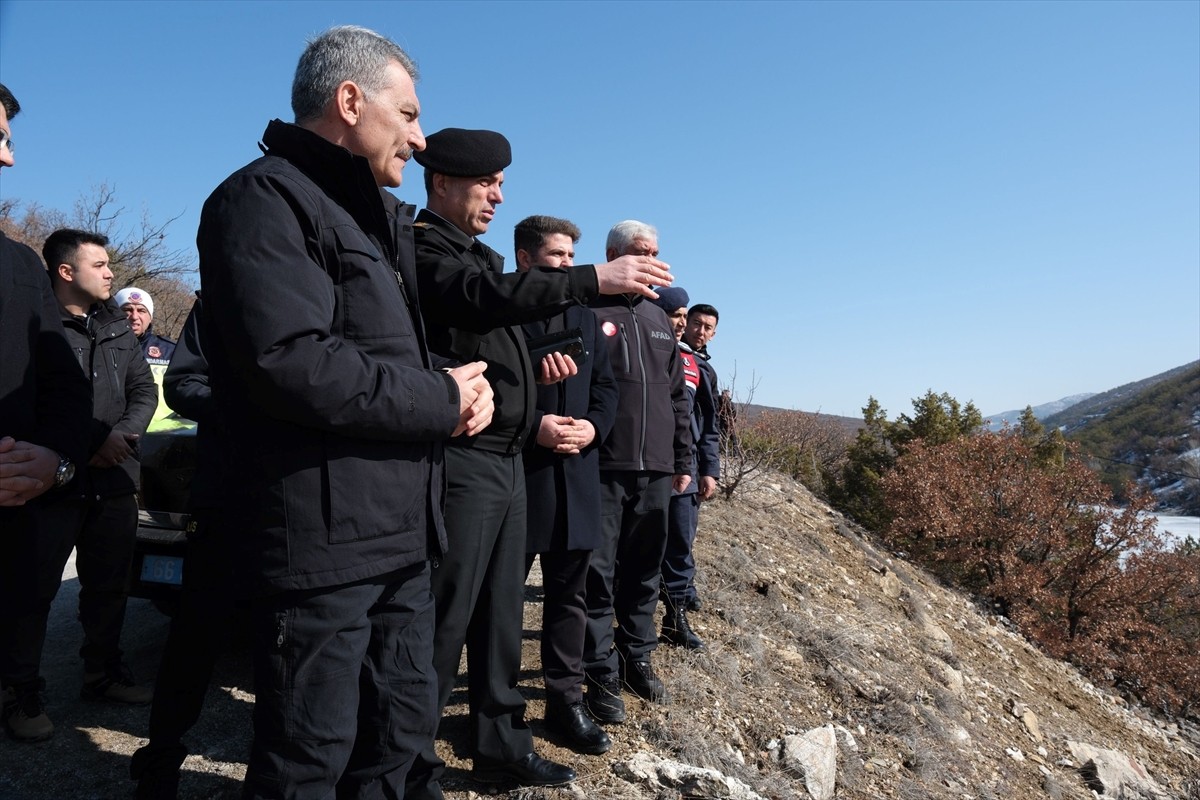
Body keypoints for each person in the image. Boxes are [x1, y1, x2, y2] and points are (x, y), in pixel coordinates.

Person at [194, 26, 494, 799]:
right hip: (323, 550)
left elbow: (372, 354)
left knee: (398, 739)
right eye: (411, 113)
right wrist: (440, 396)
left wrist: (452, 380)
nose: (421, 139)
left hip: (398, 537)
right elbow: (291, 362)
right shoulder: (262, 199)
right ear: (350, 100)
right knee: (309, 758)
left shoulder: (373, 218)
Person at [406, 129, 672, 796]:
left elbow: (498, 332)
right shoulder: (425, 249)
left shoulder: (478, 255)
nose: (498, 195)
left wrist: (532, 361)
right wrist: (590, 282)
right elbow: (470, 304)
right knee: (446, 617)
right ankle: (408, 764)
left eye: (502, 184)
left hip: (504, 464)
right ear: (442, 183)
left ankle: (501, 744)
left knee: (499, 618)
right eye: (486, 183)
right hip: (465, 460)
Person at [17, 228, 159, 721]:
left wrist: (123, 434)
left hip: (117, 477)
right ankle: (20, 692)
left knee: (108, 585)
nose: (110, 273)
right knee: (33, 588)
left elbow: (144, 390)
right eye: (99, 264)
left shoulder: (117, 325)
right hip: (55, 477)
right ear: (65, 271)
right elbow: (36, 399)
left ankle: (102, 674)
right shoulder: (33, 326)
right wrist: (96, 440)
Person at [0, 82, 92, 744]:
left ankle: (19, 688)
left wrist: (56, 460)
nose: (7, 159)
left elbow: (64, 387)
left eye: (7, 141)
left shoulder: (19, 266)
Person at [515, 215, 617, 755]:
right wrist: (537, 427)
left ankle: (565, 701)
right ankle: (497, 705)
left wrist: (593, 427)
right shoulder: (501, 311)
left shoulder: (585, 316)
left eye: (571, 257)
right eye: (557, 256)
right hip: (518, 477)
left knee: (569, 598)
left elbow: (605, 390)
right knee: (502, 600)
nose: (568, 266)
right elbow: (487, 383)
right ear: (526, 259)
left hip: (577, 476)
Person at [583, 220, 692, 725]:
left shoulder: (657, 317)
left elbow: (677, 398)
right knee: (596, 573)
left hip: (657, 470)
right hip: (601, 466)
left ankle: (637, 656)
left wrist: (683, 459)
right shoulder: (587, 306)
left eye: (655, 251)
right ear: (612, 254)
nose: (650, 259)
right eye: (640, 251)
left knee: (644, 571)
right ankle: (598, 669)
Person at [652, 294, 720, 648]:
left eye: (708, 327)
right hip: (643, 464)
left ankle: (675, 618)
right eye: (683, 318)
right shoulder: (641, 349)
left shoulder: (698, 367)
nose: (690, 327)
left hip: (685, 468)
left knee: (679, 543)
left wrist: (709, 470)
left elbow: (709, 424)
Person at [115, 286, 177, 431]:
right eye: (127, 310)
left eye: (142, 310)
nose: (134, 316)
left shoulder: (171, 351)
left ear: (151, 317)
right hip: (114, 436)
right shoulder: (99, 348)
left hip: (162, 436)